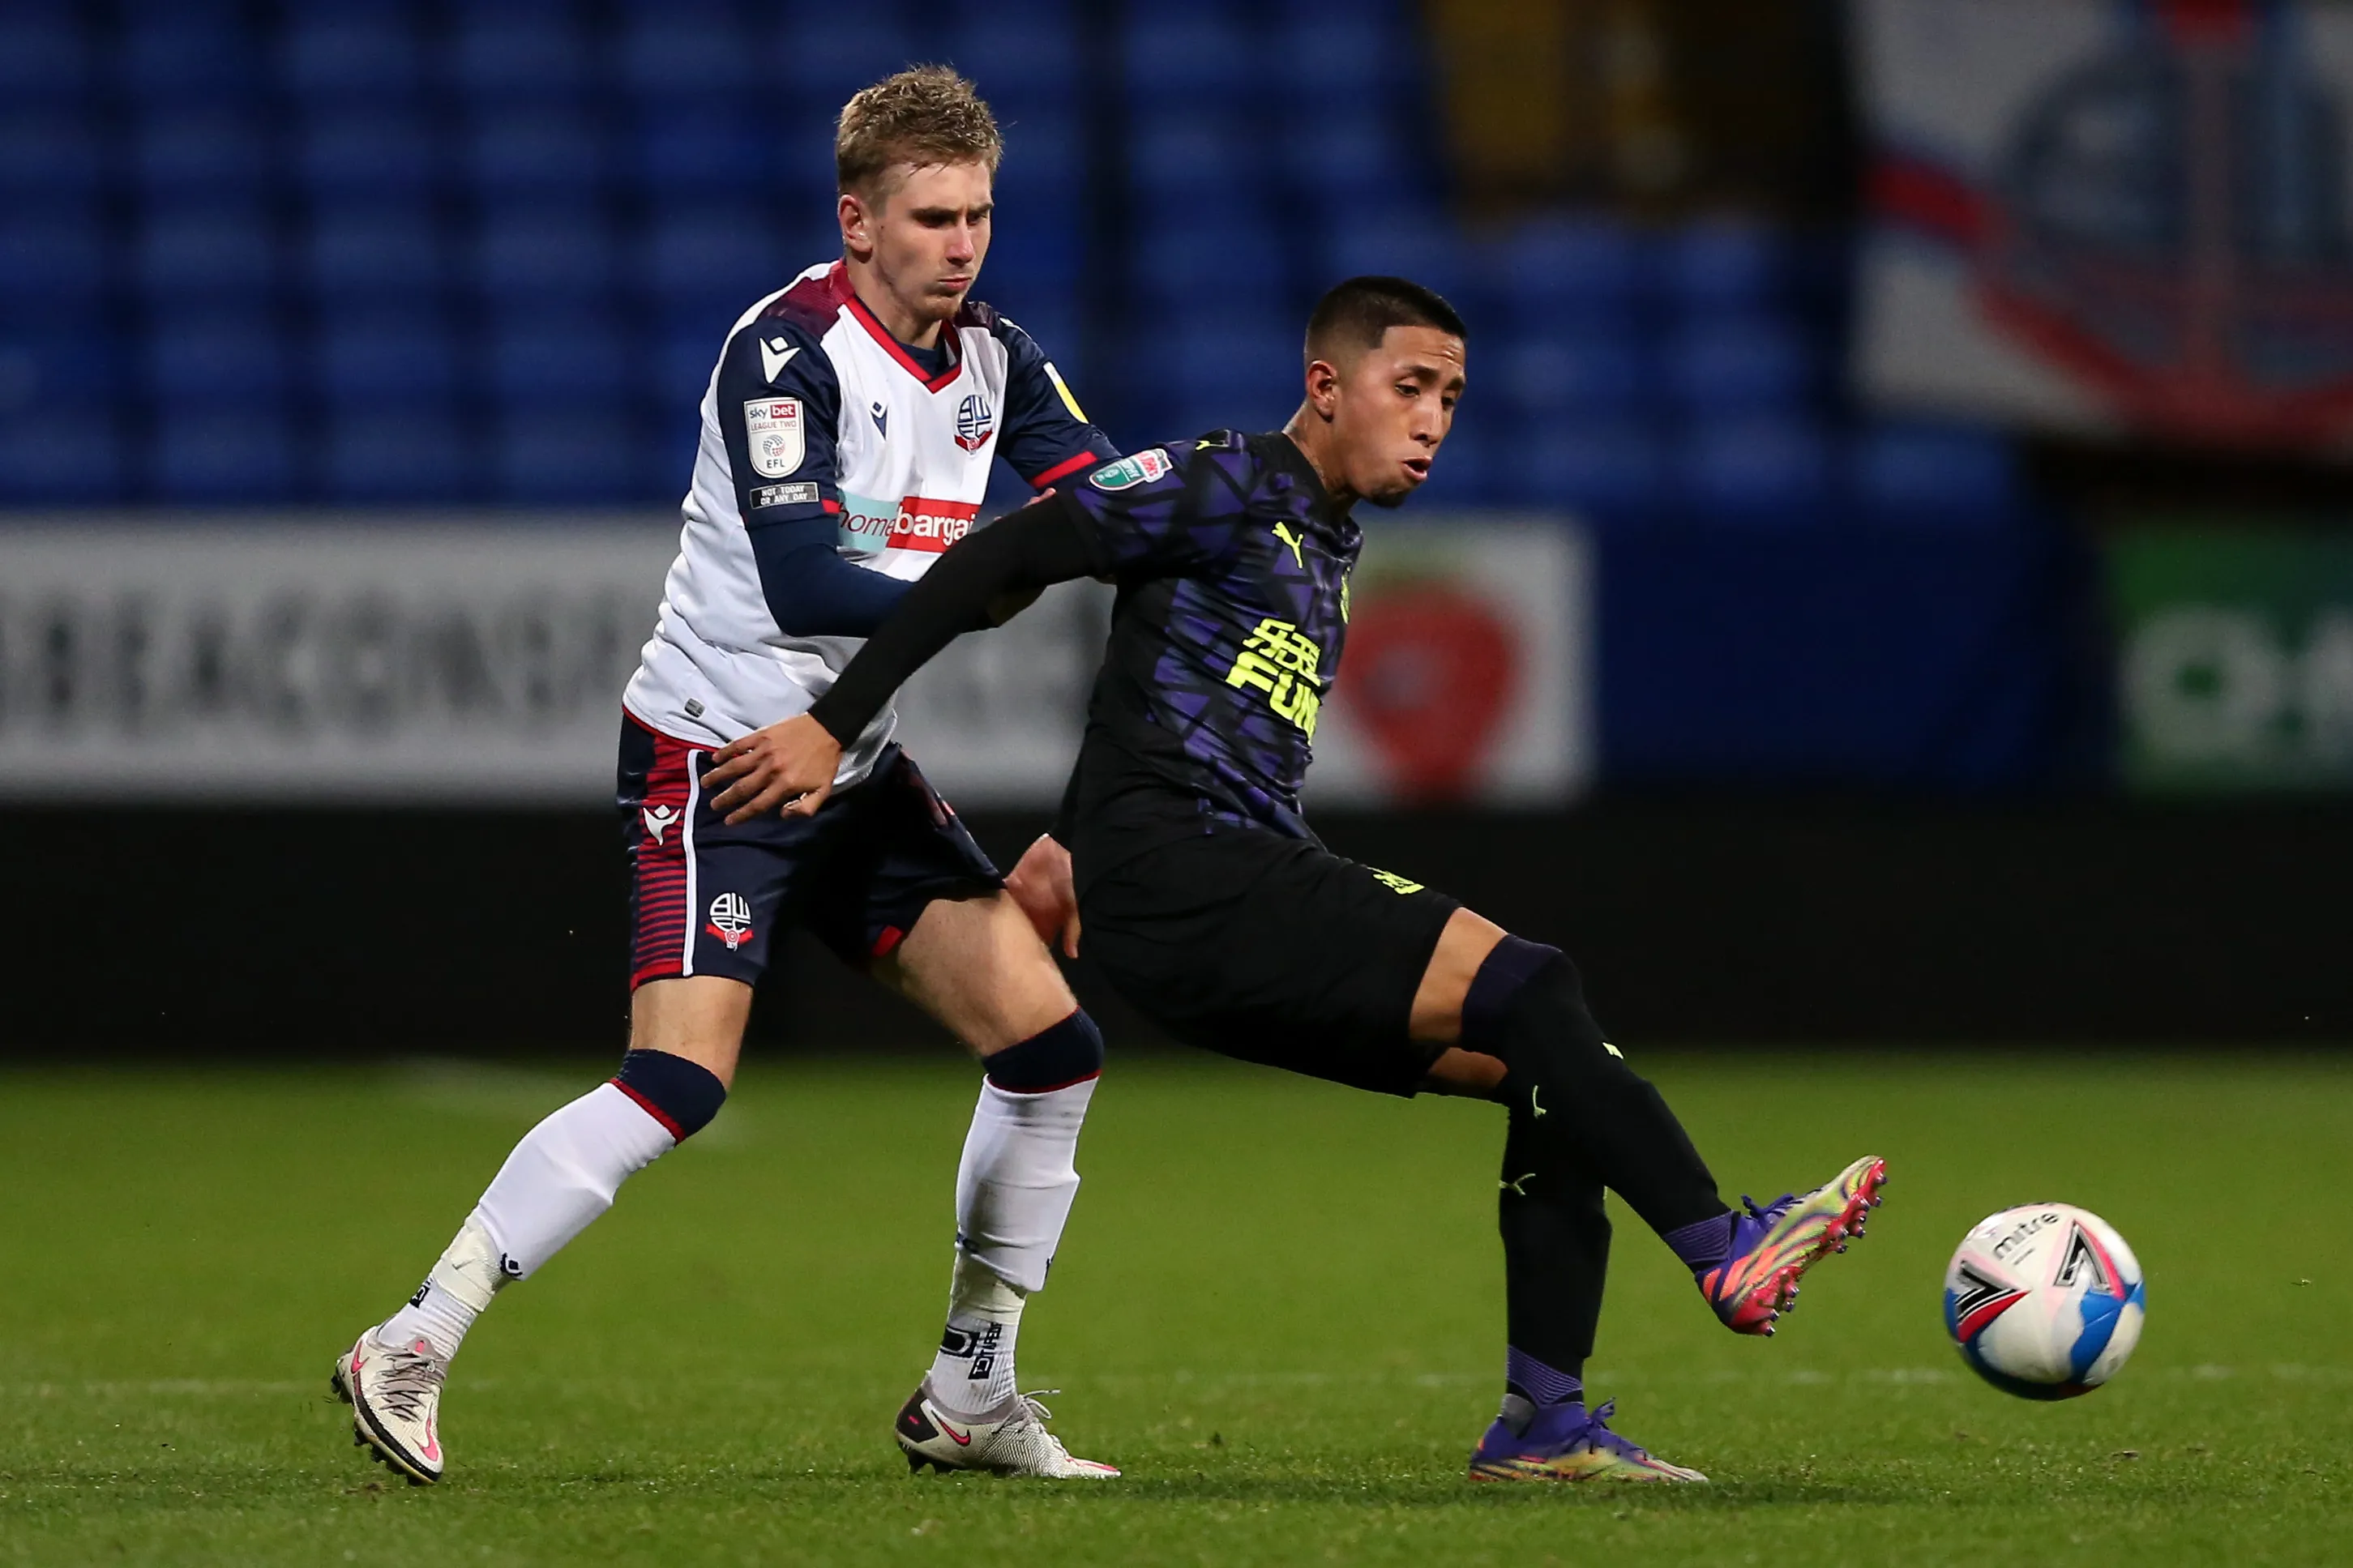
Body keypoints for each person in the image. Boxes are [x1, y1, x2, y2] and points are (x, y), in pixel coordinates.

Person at [706, 276, 1889, 1484]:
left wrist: (1067, 834)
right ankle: (1719, 1245)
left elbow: (1152, 682)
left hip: (1207, 889)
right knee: (1535, 984)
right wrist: (832, 720)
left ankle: (1543, 1422)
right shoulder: (1224, 481)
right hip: (1190, 878)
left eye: (1452, 398)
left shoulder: (1321, 534)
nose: (1432, 419)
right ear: (1325, 385)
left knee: (1557, 1070)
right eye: (1409, 387)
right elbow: (1001, 555)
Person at [333, 68, 1123, 1485]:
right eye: (932, 216)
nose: (962, 244)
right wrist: (998, 582)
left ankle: (970, 1387)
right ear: (857, 219)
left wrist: (1229, 511)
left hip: (855, 764)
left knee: (1051, 1044)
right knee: (678, 1081)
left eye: (980, 215)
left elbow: (1106, 495)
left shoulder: (998, 352)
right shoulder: (786, 351)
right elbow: (806, 577)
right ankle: (415, 1331)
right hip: (721, 762)